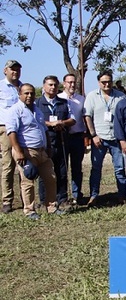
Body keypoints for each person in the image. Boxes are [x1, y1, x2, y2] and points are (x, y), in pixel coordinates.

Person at [6, 84, 66, 219]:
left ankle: (51, 207)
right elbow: (12, 132)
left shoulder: (37, 110)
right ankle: (29, 210)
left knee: (51, 178)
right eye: (26, 93)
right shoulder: (15, 110)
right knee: (28, 180)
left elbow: (44, 130)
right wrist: (19, 151)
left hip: (42, 151)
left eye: (32, 93)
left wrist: (49, 147)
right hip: (26, 151)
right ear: (20, 94)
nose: (29, 96)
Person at [83, 71, 126, 206]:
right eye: (103, 82)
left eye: (109, 81)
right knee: (96, 169)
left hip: (116, 138)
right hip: (99, 138)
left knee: (120, 168)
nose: (107, 84)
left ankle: (122, 195)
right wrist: (93, 135)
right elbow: (87, 116)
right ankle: (94, 196)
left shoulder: (121, 96)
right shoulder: (92, 96)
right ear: (99, 83)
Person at [36, 75, 76, 206]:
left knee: (62, 172)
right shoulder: (37, 103)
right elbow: (35, 121)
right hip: (45, 143)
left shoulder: (64, 102)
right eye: (50, 85)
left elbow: (73, 119)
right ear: (44, 86)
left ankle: (62, 198)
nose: (53, 87)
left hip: (61, 141)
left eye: (55, 85)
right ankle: (44, 201)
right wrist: (50, 124)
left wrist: (62, 122)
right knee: (45, 173)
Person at [58, 74, 86, 205]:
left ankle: (77, 194)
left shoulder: (81, 99)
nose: (72, 85)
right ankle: (62, 195)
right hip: (63, 138)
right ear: (64, 84)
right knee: (62, 168)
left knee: (77, 168)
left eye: (74, 82)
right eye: (69, 82)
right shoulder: (59, 98)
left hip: (77, 137)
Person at [0, 60, 23, 214]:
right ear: (5, 70)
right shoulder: (1, 87)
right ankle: (7, 200)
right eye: (12, 69)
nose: (15, 72)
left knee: (23, 165)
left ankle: (26, 199)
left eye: (17, 69)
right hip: (6, 129)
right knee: (8, 166)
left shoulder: (23, 87)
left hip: (22, 130)